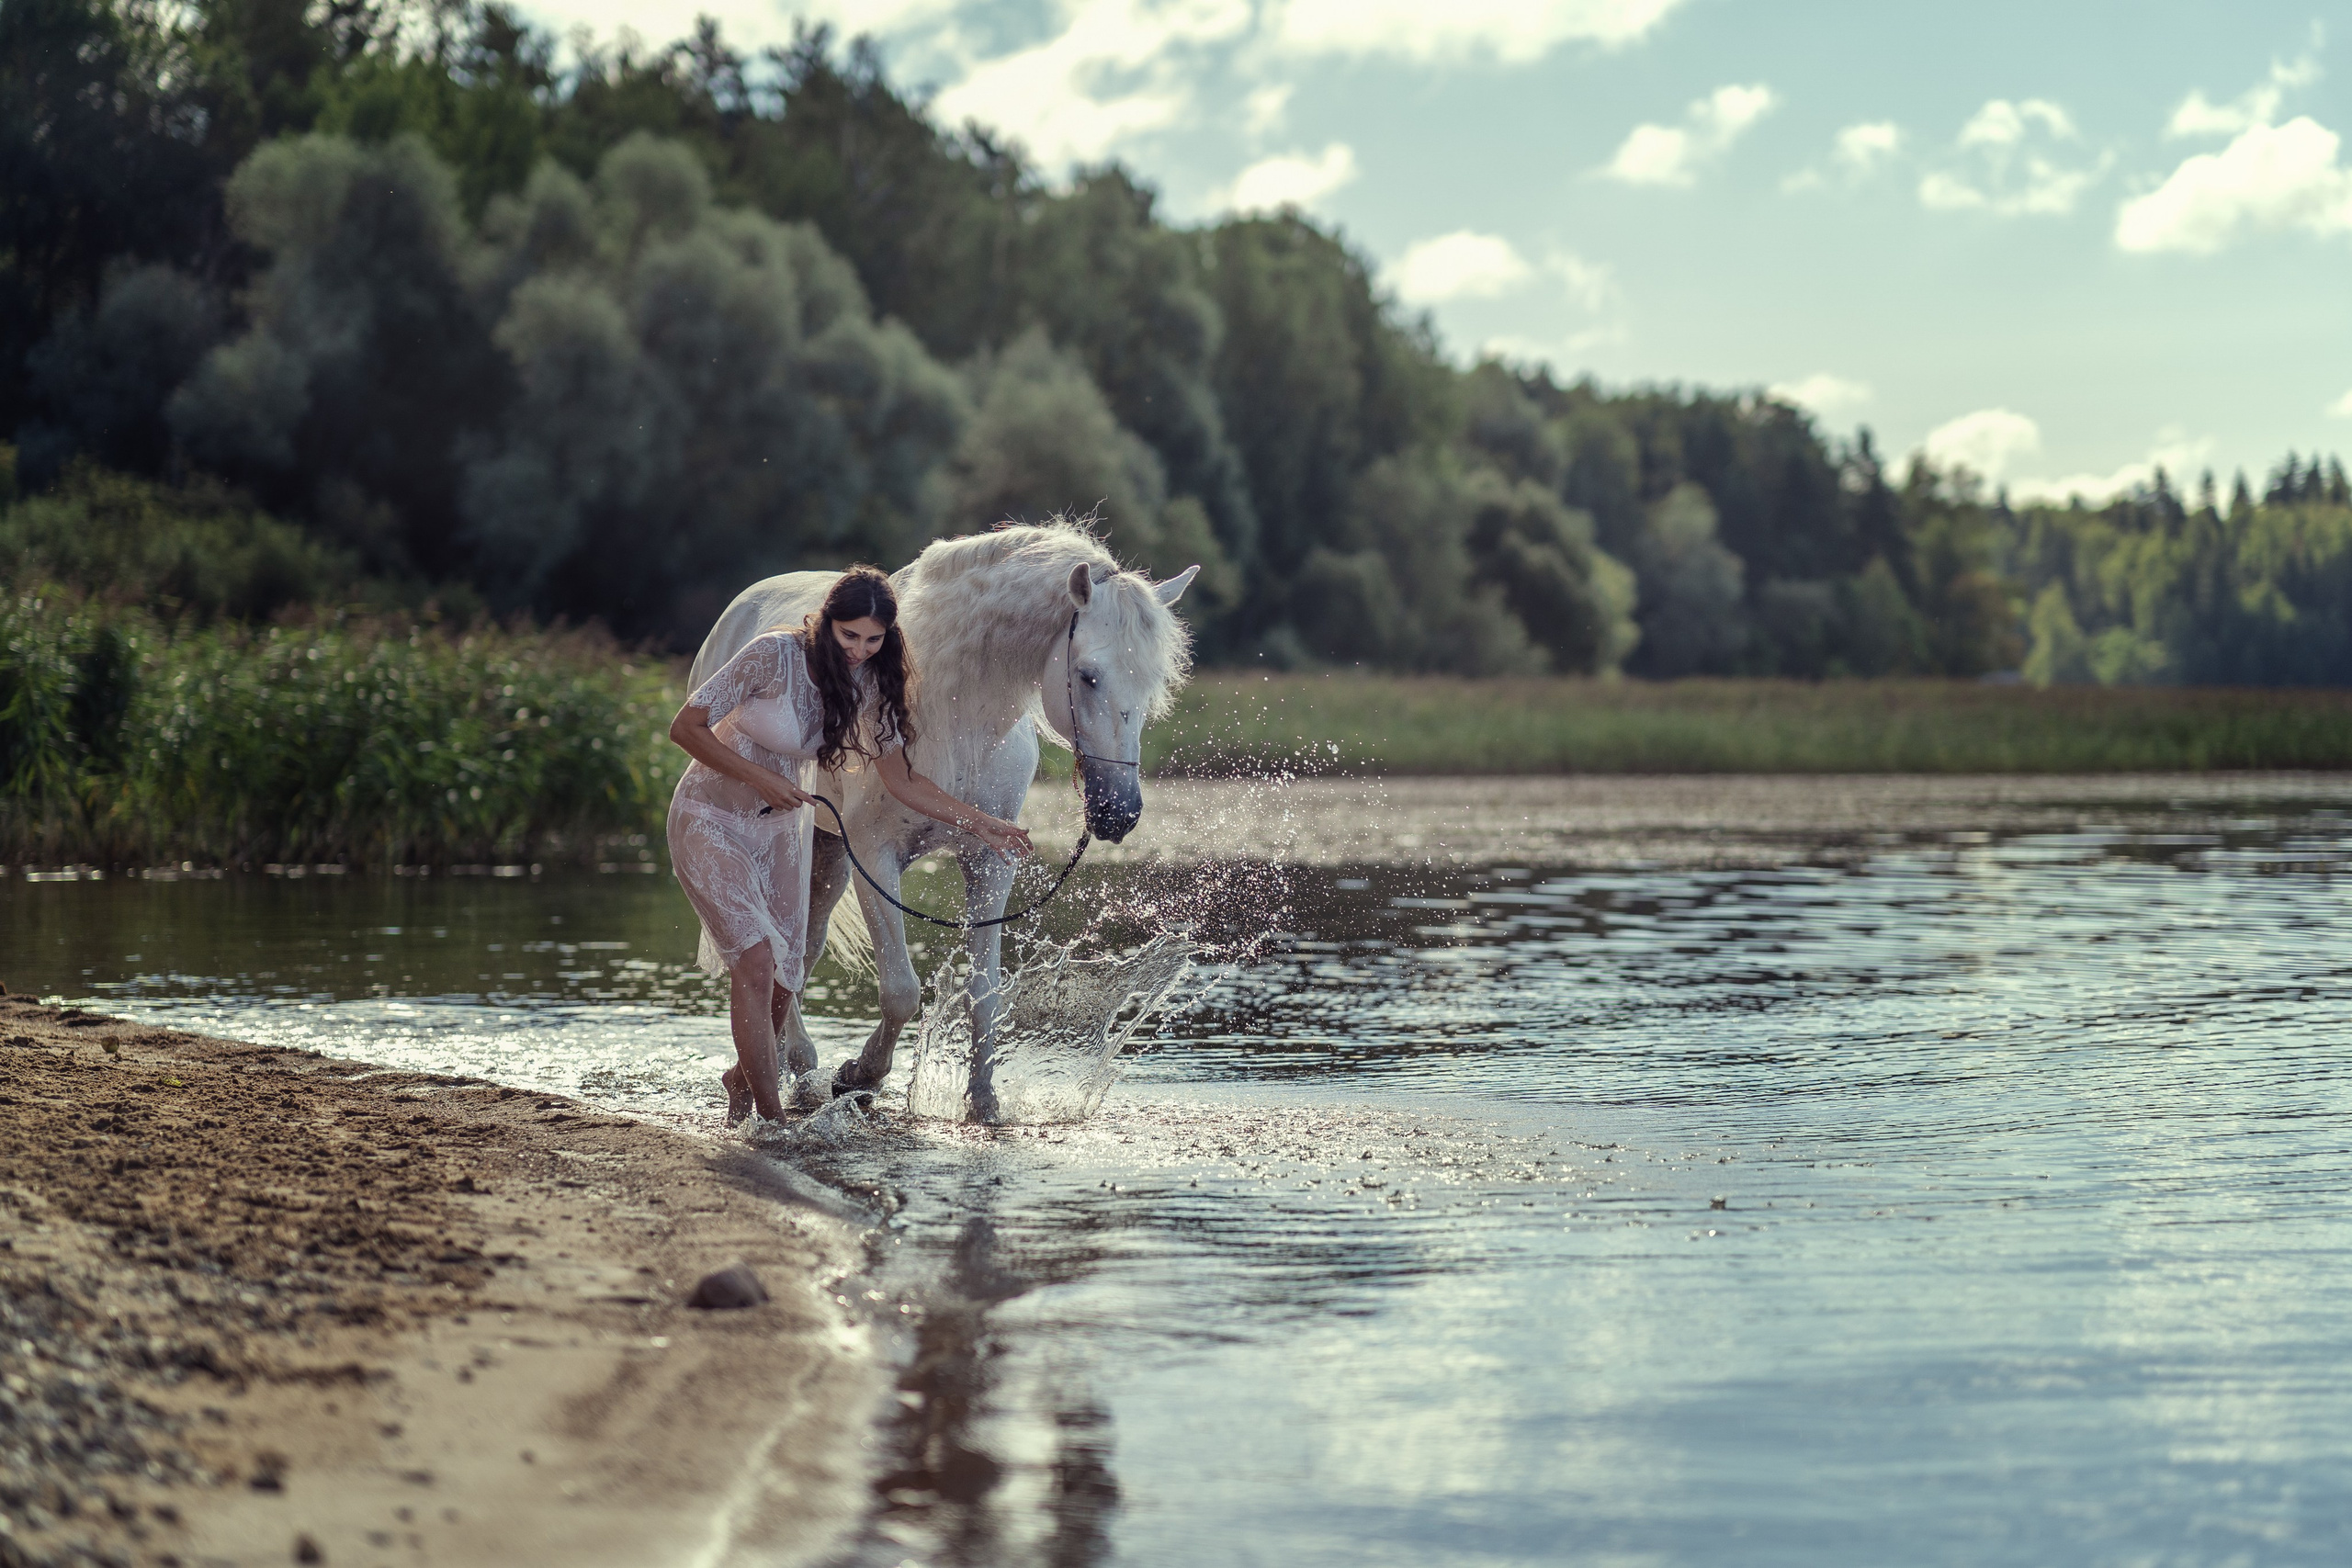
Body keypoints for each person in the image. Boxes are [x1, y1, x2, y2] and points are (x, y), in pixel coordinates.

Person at [666, 567, 1033, 1123]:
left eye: (873, 639)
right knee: (758, 962)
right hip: (711, 818)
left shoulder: (869, 689)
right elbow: (686, 727)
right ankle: (773, 1119)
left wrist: (983, 822)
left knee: (789, 974)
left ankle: (741, 1080)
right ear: (825, 624)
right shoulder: (772, 655)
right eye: (849, 636)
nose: (860, 650)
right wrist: (762, 777)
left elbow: (903, 781)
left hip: (777, 831)